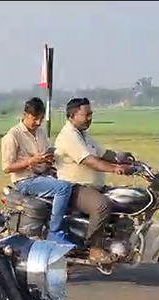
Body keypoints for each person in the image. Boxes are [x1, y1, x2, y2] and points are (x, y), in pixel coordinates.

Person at [54, 97, 133, 263]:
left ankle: (117, 243)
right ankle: (95, 250)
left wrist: (123, 158)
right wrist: (114, 168)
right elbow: (89, 160)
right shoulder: (69, 136)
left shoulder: (83, 135)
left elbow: (102, 154)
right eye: (86, 114)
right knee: (101, 205)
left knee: (125, 200)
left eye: (91, 114)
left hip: (94, 186)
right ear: (72, 116)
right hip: (74, 187)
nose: (90, 118)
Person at [1, 97, 73, 245]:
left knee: (73, 181)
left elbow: (45, 153)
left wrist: (49, 158)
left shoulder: (40, 132)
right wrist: (30, 161)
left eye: (40, 119)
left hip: (44, 174)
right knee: (63, 188)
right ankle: (55, 231)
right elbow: (7, 167)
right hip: (25, 180)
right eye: (35, 119)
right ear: (25, 115)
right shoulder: (12, 136)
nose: (38, 123)